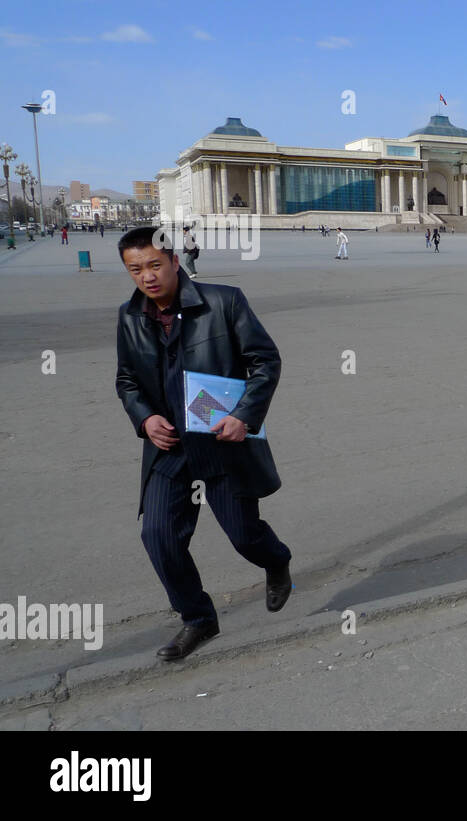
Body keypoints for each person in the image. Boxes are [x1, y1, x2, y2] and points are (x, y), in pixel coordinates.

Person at [113, 227, 291, 661]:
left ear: (175, 261)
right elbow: (127, 380)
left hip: (220, 444)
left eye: (155, 265)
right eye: (136, 269)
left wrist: (243, 416)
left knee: (245, 536)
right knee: (158, 536)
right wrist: (145, 418)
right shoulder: (129, 315)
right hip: (169, 451)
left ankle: (276, 561)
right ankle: (198, 619)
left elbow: (264, 361)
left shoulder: (223, 302)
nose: (147, 277)